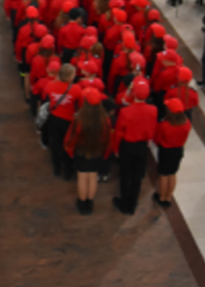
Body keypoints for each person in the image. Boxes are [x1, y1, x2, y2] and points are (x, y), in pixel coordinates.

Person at [112, 79, 158, 214]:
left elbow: (119, 132)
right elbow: (152, 127)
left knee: (126, 175)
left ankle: (124, 204)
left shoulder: (126, 112)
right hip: (142, 146)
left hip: (127, 145)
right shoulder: (153, 110)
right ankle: (132, 203)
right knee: (137, 175)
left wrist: (116, 148)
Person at [65, 90, 115, 214]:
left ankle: (82, 204)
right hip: (97, 152)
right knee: (93, 178)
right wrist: (106, 153)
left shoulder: (78, 118)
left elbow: (71, 138)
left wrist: (70, 151)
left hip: (81, 152)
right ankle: (90, 202)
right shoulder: (105, 120)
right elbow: (108, 139)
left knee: (82, 178)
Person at [153, 98, 192, 207]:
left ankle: (161, 197)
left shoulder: (164, 125)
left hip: (166, 151)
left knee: (164, 174)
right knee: (172, 173)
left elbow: (157, 139)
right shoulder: (187, 123)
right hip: (178, 150)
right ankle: (168, 197)